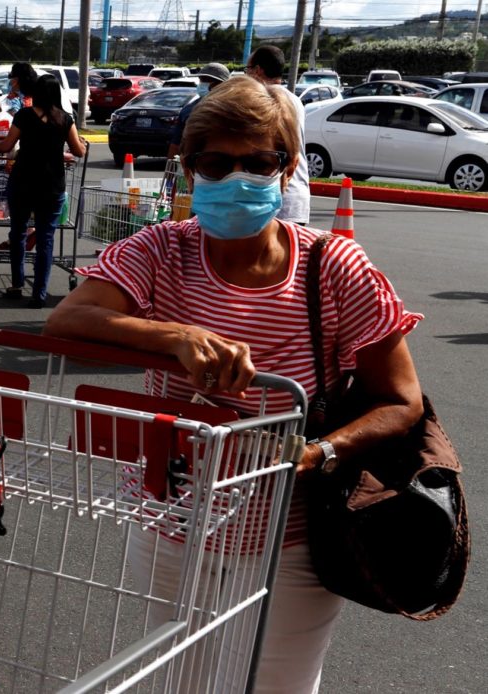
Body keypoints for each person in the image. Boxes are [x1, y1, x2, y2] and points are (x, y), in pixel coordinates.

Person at [45, 76, 424, 692]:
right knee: (180, 682)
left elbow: (400, 401)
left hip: (289, 540)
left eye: (258, 162)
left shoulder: (333, 268)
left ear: (289, 165)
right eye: (216, 164)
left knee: (276, 685)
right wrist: (173, 336)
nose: (237, 178)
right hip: (171, 525)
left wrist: (319, 452)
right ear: (189, 169)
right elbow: (70, 318)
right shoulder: (162, 249)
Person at [0, 74, 87, 308]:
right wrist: (81, 142)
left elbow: (8, 145)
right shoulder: (65, 119)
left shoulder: (24, 115)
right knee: (45, 239)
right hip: (52, 187)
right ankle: (39, 293)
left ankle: (17, 284)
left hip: (22, 183)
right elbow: (78, 151)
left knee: (18, 233)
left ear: (38, 93)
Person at [247, 45, 311, 225]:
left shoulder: (263, 98)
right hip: (296, 199)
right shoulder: (294, 100)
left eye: (248, 69)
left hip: (271, 200)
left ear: (257, 70)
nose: (246, 75)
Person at [166, 62, 230, 160]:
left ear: (221, 84)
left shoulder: (233, 109)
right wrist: (170, 172)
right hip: (193, 166)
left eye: (207, 80)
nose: (203, 83)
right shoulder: (189, 110)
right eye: (201, 80)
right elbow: (176, 144)